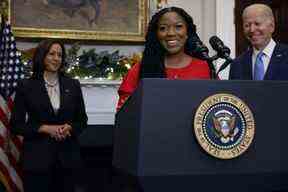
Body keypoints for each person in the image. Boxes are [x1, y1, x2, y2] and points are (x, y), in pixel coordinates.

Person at [10, 39, 88, 192]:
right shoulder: (26, 86)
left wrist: (69, 128)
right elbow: (16, 125)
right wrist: (44, 128)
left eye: (60, 55)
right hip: (37, 161)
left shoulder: (73, 85)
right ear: (42, 56)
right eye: (52, 54)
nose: (56, 58)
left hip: (67, 161)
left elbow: (82, 120)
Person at [117, 6, 211, 110]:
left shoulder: (204, 67)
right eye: (163, 28)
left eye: (178, 26)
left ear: (188, 32)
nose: (170, 33)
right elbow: (124, 115)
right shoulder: (140, 69)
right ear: (156, 34)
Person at [229, 3, 288, 80]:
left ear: (272, 26)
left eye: (257, 24)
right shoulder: (237, 64)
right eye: (247, 25)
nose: (252, 30)